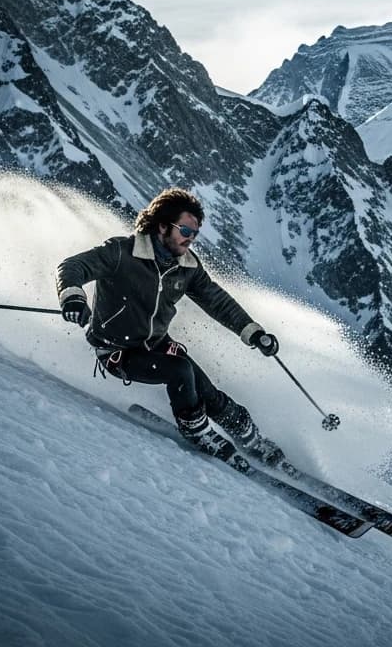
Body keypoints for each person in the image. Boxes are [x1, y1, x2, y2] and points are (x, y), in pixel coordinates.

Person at [56, 187, 284, 468]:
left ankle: (251, 439)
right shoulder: (121, 253)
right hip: (118, 350)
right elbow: (73, 266)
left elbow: (216, 301)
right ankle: (196, 430)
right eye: (185, 231)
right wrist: (73, 298)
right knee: (179, 371)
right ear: (162, 226)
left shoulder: (186, 266)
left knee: (209, 393)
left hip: (157, 344)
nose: (190, 239)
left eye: (195, 233)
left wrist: (253, 332)